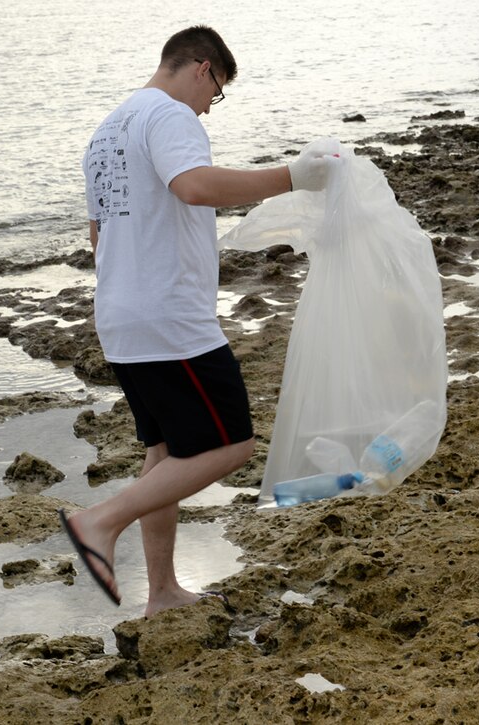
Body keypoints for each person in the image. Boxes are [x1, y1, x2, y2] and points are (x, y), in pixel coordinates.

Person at [61, 25, 331, 615]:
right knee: (231, 443)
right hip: (169, 318)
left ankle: (161, 593)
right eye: (218, 93)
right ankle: (98, 522)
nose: (210, 108)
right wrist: (293, 177)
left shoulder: (109, 128)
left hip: (121, 316)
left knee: (165, 455)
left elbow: (97, 230)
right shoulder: (171, 117)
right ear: (203, 68)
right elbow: (195, 186)